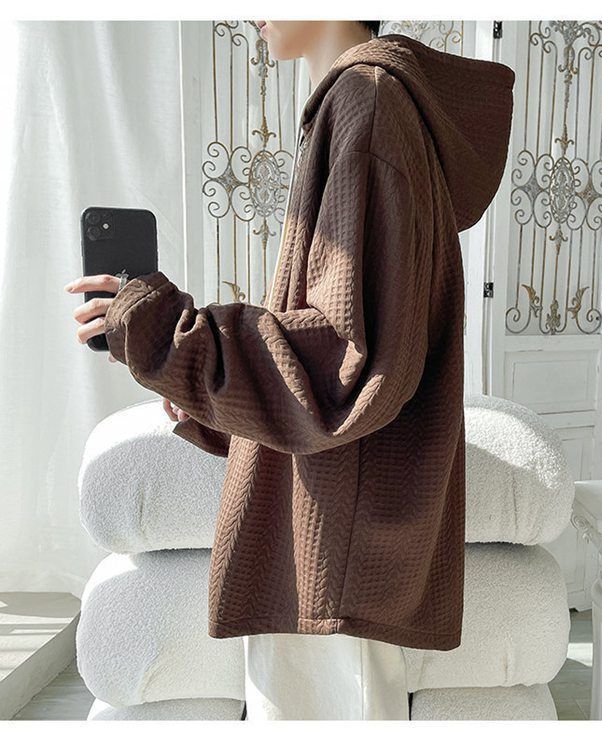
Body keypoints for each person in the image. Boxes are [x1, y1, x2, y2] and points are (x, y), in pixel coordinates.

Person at [66, 20, 515, 719]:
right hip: (331, 537)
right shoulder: (366, 105)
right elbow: (357, 346)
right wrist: (212, 399)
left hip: (335, 549)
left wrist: (173, 338)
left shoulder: (368, 104)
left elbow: (344, 362)